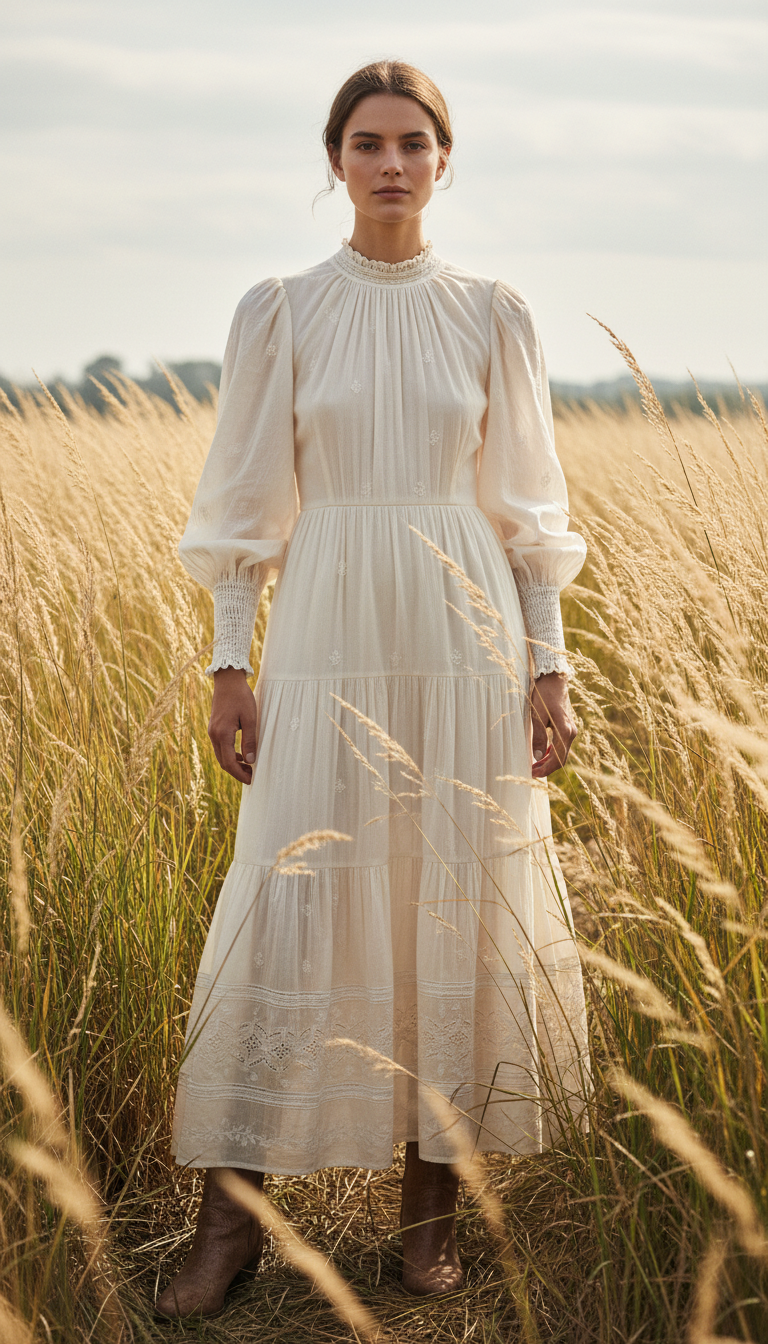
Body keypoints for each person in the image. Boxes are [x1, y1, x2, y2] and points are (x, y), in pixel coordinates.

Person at [157, 59, 591, 1320]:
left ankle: (427, 1230)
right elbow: (242, 504)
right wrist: (231, 660)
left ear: (444, 160)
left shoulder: (495, 310)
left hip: (465, 640)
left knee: (452, 911)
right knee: (289, 900)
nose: (391, 162)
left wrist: (548, 665)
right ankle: (226, 1232)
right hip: (330, 625)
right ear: (334, 160)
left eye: (413, 142)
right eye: (366, 142)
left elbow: (527, 510)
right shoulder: (281, 309)